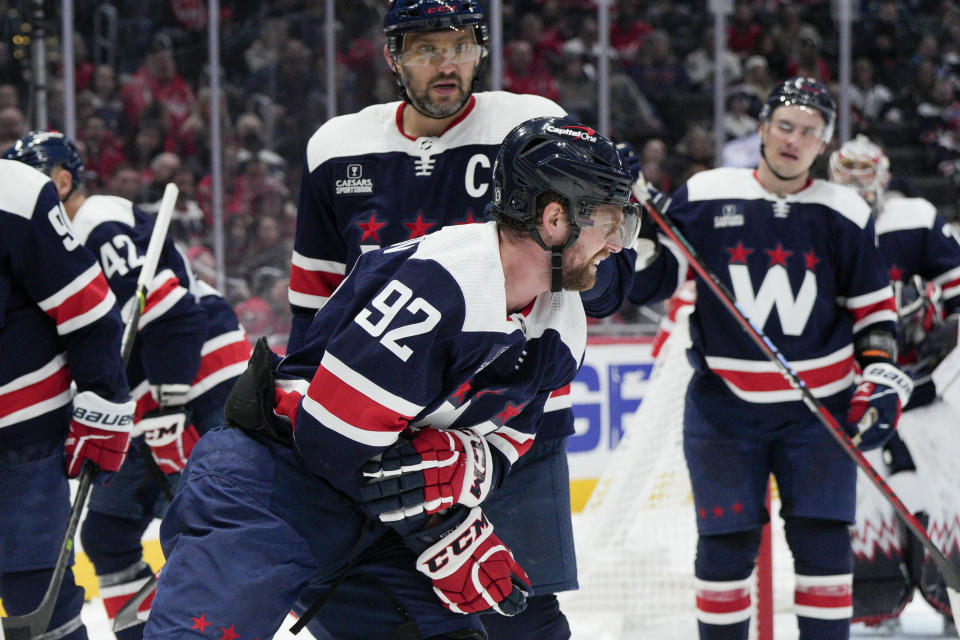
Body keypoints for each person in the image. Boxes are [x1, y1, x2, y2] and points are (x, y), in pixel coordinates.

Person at [142, 116, 640, 640]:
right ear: (555, 218)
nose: (618, 245)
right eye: (609, 223)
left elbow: (513, 437)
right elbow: (332, 442)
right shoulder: (440, 284)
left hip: (369, 526)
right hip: (271, 489)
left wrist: (464, 468)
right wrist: (448, 529)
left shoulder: (564, 320)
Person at [287, 2, 637, 637]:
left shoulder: (533, 125)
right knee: (395, 618)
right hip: (381, 433)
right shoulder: (336, 149)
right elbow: (315, 303)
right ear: (393, 57)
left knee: (522, 616)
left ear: (481, 50)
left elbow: (607, 283)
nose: (446, 64)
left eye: (460, 46)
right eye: (425, 49)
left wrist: (592, 253)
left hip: (513, 422)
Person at [629, 77, 911, 640]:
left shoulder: (845, 211)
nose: (794, 139)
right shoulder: (706, 193)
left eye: (810, 132)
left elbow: (874, 313)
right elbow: (655, 281)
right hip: (724, 408)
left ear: (824, 145)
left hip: (821, 413)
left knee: (825, 547)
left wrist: (879, 371)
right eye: (785, 126)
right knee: (724, 551)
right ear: (761, 129)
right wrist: (631, 232)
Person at [4, 131, 253, 640]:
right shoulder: (48, 245)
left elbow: (171, 311)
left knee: (210, 522)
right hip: (144, 404)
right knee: (108, 534)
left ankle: (218, 626)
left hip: (201, 388)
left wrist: (169, 400)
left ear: (62, 179)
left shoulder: (96, 221)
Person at [829, 134, 960, 632]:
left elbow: (957, 291)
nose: (856, 181)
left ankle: (951, 603)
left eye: (866, 170)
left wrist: (945, 332)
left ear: (883, 175)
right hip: (855, 392)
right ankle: (876, 606)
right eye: (847, 169)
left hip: (924, 391)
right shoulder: (821, 219)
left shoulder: (916, 218)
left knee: (950, 495)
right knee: (866, 506)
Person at [0, 157, 134, 640]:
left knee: (34, 599)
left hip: (19, 435)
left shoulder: (12, 192)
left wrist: (104, 397)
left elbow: (88, 308)